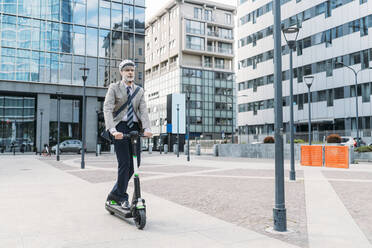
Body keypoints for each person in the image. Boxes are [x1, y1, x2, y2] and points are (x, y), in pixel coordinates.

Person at [103, 59, 152, 210]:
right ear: (121, 72)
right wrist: (112, 130)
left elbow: (143, 111)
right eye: (127, 70)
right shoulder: (114, 87)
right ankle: (121, 197)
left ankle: (114, 194)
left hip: (135, 129)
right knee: (124, 163)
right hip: (120, 128)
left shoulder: (139, 91)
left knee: (135, 165)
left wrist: (147, 128)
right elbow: (107, 108)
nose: (130, 72)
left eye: (132, 70)